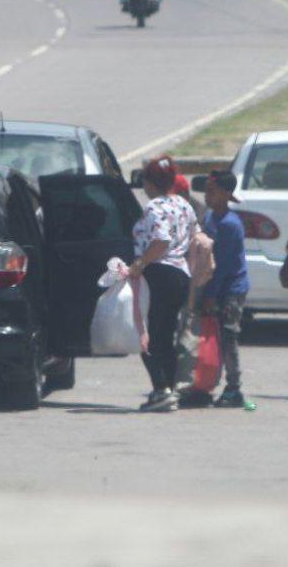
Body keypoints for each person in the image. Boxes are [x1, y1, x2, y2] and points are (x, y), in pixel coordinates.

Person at [129, 154, 198, 413]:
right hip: (180, 274)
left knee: (147, 336)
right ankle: (168, 388)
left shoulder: (154, 208)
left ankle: (161, 388)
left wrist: (140, 264)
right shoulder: (183, 204)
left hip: (160, 273)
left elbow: (161, 242)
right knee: (165, 335)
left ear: (149, 182)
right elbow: (193, 236)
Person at [201, 170, 250, 408]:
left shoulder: (229, 224)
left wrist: (210, 295)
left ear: (225, 194)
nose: (206, 196)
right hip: (214, 285)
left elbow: (222, 265)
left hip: (230, 288)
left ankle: (234, 387)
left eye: (211, 191)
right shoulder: (211, 217)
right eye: (206, 191)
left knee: (228, 337)